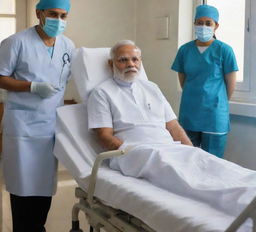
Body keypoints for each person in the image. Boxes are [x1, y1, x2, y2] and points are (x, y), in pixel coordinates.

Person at [87, 40, 256, 219]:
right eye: (123, 60)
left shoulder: (152, 88)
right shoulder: (102, 93)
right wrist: (127, 152)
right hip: (136, 151)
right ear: (111, 63)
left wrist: (190, 151)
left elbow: (173, 126)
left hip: (169, 148)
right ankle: (238, 201)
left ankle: (249, 188)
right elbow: (104, 135)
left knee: (204, 160)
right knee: (185, 175)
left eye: (135, 59)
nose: (131, 64)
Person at [0, 0, 75, 232]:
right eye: (53, 14)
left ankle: (38, 227)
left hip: (51, 126)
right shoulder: (16, 42)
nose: (58, 20)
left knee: (44, 185)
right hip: (23, 126)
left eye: (63, 15)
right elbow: (0, 77)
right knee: (23, 187)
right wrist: (31, 86)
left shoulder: (68, 45)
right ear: (39, 13)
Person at [171, 4, 238, 158]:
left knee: (212, 161)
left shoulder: (224, 50)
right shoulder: (185, 50)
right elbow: (183, 80)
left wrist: (218, 101)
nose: (203, 26)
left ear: (216, 26)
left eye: (208, 23)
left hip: (214, 113)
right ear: (194, 23)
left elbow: (230, 83)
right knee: (187, 157)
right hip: (190, 111)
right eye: (200, 22)